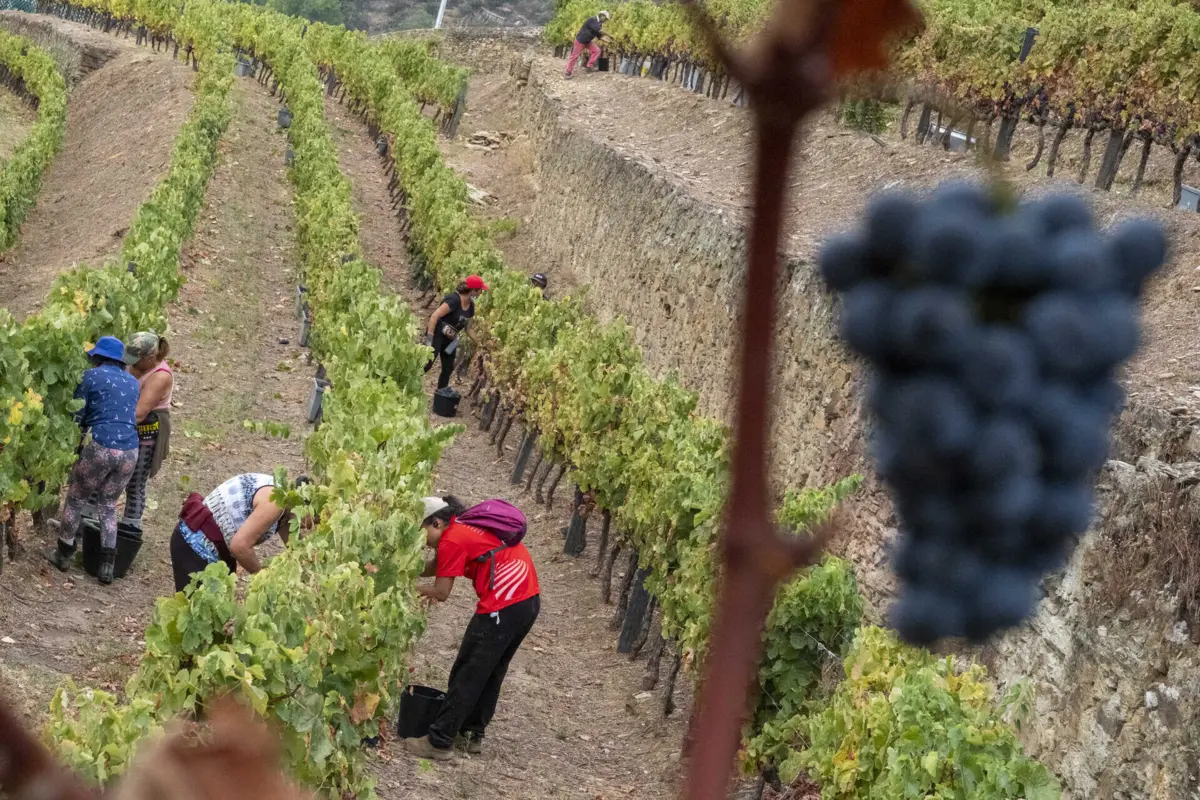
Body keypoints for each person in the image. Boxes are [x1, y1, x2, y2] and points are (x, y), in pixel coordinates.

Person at [403, 496, 541, 760]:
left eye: (422, 530)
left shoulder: (452, 537)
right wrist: (401, 570)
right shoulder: (462, 529)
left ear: (436, 521)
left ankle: (439, 741)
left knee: (468, 671)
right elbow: (436, 566)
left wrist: (403, 589)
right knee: (491, 672)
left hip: (504, 604)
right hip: (527, 601)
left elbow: (441, 592)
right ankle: (471, 735)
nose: (422, 539)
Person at [44, 336, 140, 585]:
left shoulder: (90, 377)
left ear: (98, 357)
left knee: (76, 498)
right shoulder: (132, 382)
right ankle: (107, 566)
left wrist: (72, 449)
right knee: (108, 505)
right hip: (130, 449)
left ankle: (63, 554)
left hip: (100, 445)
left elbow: (78, 415)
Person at [168, 473, 310, 592]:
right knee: (198, 621)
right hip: (194, 546)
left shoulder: (286, 508)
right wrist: (264, 580)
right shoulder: (274, 503)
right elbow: (239, 546)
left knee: (213, 617)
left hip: (213, 550)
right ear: (304, 508)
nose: (312, 526)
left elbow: (295, 548)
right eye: (315, 520)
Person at [120, 331, 173, 529]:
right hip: (125, 420)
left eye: (136, 360)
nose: (130, 363)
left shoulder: (160, 376)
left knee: (135, 481)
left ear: (151, 358)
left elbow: (139, 414)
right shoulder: (134, 361)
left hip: (148, 427)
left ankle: (129, 532)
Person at [425, 275, 487, 391]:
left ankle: (441, 393)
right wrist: (429, 340)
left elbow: (469, 329)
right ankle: (408, 384)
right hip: (437, 333)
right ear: (474, 290)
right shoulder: (454, 300)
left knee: (448, 368)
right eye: (481, 290)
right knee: (427, 363)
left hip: (451, 338)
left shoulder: (471, 306)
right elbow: (434, 316)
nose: (482, 292)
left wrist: (480, 343)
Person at [565, 10, 610, 79]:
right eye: (605, 18)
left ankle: (589, 66)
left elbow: (599, 36)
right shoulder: (592, 20)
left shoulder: (599, 24)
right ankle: (568, 72)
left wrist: (608, 41)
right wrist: (609, 34)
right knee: (574, 56)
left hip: (587, 41)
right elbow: (599, 30)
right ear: (601, 15)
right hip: (580, 41)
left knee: (597, 50)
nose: (606, 20)